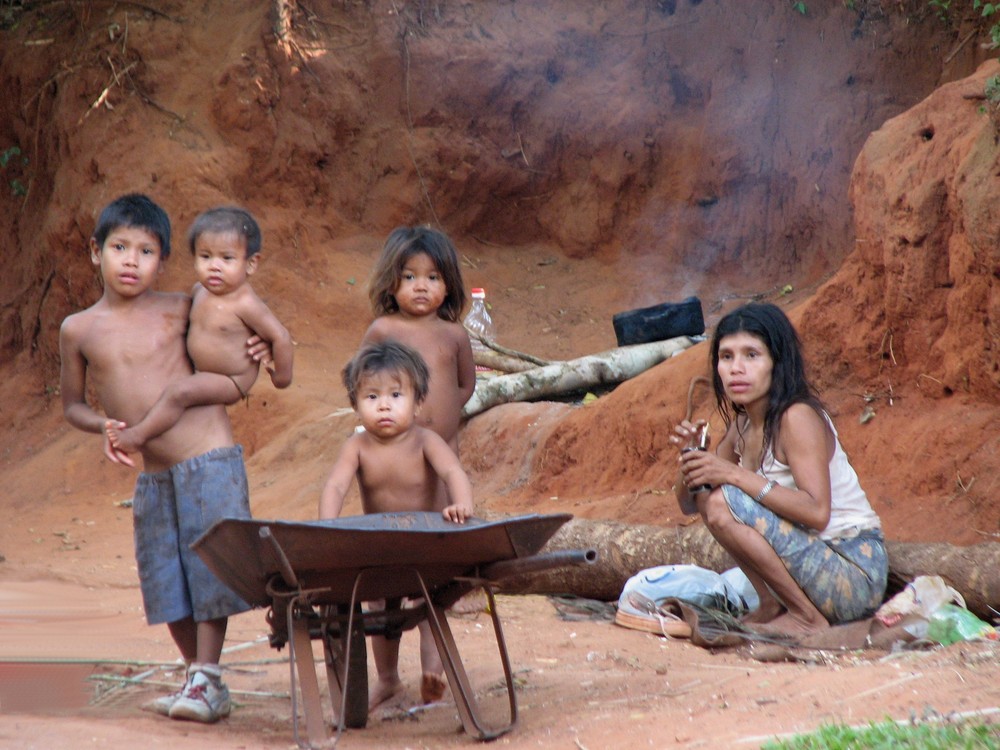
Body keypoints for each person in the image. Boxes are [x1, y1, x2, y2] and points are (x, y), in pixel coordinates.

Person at [59, 194, 272, 723]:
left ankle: (207, 677)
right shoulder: (78, 329)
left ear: (163, 260)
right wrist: (101, 425)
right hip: (153, 475)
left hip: (207, 457)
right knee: (165, 578)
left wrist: (261, 349)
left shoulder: (185, 306)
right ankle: (198, 677)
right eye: (119, 247)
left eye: (147, 250)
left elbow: (239, 323)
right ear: (95, 252)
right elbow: (73, 405)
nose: (132, 260)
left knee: (210, 570)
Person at [670, 302, 887, 637]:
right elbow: (690, 503)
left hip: (853, 573)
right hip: (817, 571)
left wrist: (733, 474)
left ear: (777, 364)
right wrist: (691, 456)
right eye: (726, 357)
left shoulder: (796, 417)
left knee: (722, 497)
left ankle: (805, 617)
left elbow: (817, 513)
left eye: (751, 355)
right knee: (710, 499)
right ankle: (771, 604)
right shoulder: (740, 427)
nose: (736, 368)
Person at [319, 340, 474, 710]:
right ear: (355, 404)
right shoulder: (357, 446)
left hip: (425, 542)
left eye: (395, 395)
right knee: (377, 611)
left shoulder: (426, 440)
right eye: (371, 397)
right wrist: (326, 525)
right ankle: (387, 680)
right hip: (379, 546)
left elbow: (453, 471)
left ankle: (433, 672)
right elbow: (336, 484)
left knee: (428, 607)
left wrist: (462, 503)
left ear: (418, 402)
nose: (383, 405)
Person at [106, 206, 293, 454]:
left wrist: (282, 376)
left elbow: (280, 336)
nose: (214, 266)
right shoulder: (199, 291)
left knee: (179, 392)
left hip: (231, 380)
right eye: (206, 257)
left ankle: (137, 437)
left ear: (250, 264)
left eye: (227, 259)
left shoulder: (245, 303)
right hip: (201, 371)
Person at [361, 225, 476, 465]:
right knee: (400, 499)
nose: (421, 286)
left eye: (433, 277)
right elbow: (361, 383)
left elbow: (466, 385)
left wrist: (444, 412)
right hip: (396, 446)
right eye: (409, 276)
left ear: (448, 286)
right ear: (391, 282)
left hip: (445, 444)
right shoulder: (383, 330)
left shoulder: (455, 334)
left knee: (447, 499)